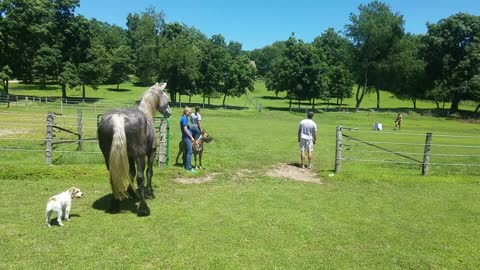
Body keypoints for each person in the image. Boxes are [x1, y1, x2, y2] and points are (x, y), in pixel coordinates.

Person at [180, 106, 197, 173]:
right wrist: (191, 137)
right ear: (186, 112)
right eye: (190, 112)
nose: (190, 113)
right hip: (186, 137)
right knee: (189, 152)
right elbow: (185, 130)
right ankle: (189, 168)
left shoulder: (185, 118)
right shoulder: (184, 119)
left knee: (187, 152)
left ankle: (186, 165)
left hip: (186, 137)